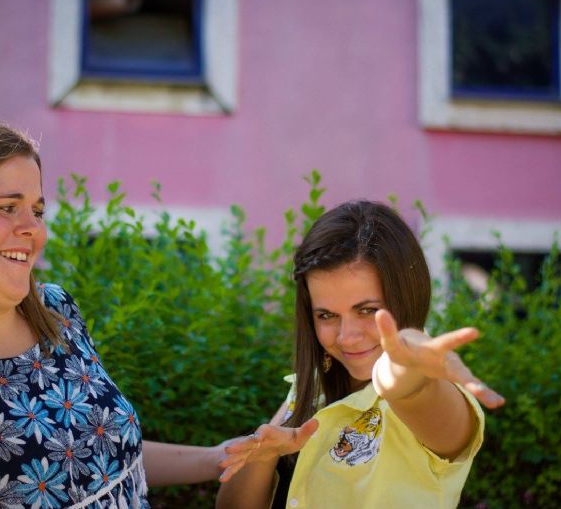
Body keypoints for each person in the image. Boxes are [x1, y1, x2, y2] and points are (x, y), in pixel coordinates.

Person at [0, 116, 231, 509]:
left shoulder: (56, 311)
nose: (32, 229)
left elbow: (97, 455)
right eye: (7, 207)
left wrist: (217, 458)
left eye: (37, 211)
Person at [216, 200, 506, 508]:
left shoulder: (430, 391)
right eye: (327, 315)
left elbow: (408, 387)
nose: (347, 337)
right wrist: (264, 456)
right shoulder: (311, 385)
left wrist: (404, 365)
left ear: (407, 295)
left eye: (367, 310)